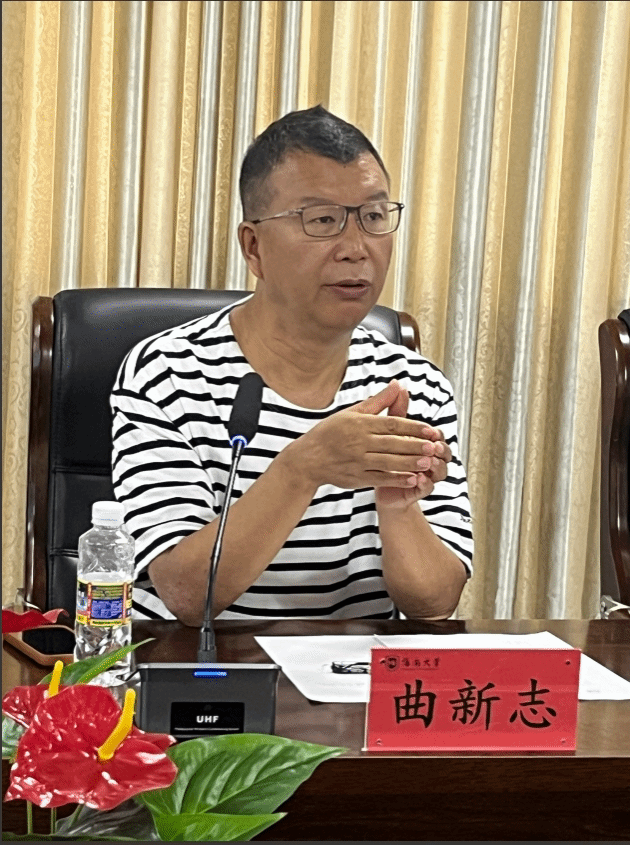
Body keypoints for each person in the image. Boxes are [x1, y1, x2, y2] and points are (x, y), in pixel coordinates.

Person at [111, 105, 473, 625]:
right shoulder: (168, 372)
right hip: (203, 666)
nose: (356, 249)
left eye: (373, 217)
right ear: (253, 247)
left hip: (353, 670)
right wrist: (302, 468)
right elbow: (186, 595)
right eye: (322, 220)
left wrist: (398, 503)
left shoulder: (416, 384)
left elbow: (435, 605)